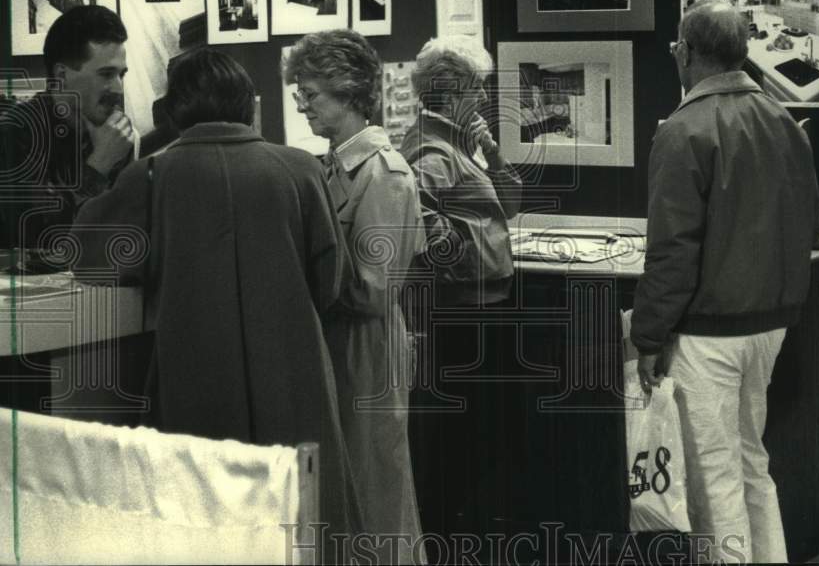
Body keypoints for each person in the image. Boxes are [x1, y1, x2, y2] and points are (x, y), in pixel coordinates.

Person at [70, 48, 362, 542]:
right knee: (301, 522)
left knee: (207, 524)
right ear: (245, 102)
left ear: (175, 107)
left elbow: (88, 257)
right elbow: (332, 283)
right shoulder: (300, 170)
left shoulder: (152, 176)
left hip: (196, 372)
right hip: (295, 369)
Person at [631, 0, 819, 564]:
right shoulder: (784, 119)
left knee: (712, 477)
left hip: (709, 331)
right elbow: (811, 223)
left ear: (686, 52)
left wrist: (647, 336)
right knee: (749, 461)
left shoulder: (684, 129)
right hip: (770, 324)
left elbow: (671, 251)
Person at [283, 30, 424, 563]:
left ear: (346, 90)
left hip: (366, 345)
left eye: (311, 94)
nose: (302, 106)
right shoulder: (333, 166)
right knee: (344, 485)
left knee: (376, 486)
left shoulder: (384, 175)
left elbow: (373, 287)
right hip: (338, 342)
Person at [399, 36, 522, 540]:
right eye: (479, 88)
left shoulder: (456, 145)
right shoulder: (430, 150)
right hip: (460, 315)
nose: (485, 99)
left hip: (476, 308)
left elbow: (511, 203)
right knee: (461, 443)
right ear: (451, 93)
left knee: (474, 440)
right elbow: (423, 230)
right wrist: (470, 254)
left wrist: (491, 152)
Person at [0, 5, 135, 253]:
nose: (118, 89)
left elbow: (121, 230)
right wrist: (98, 166)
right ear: (61, 75)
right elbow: (36, 239)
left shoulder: (114, 134)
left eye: (121, 75)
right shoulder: (17, 131)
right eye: (106, 74)